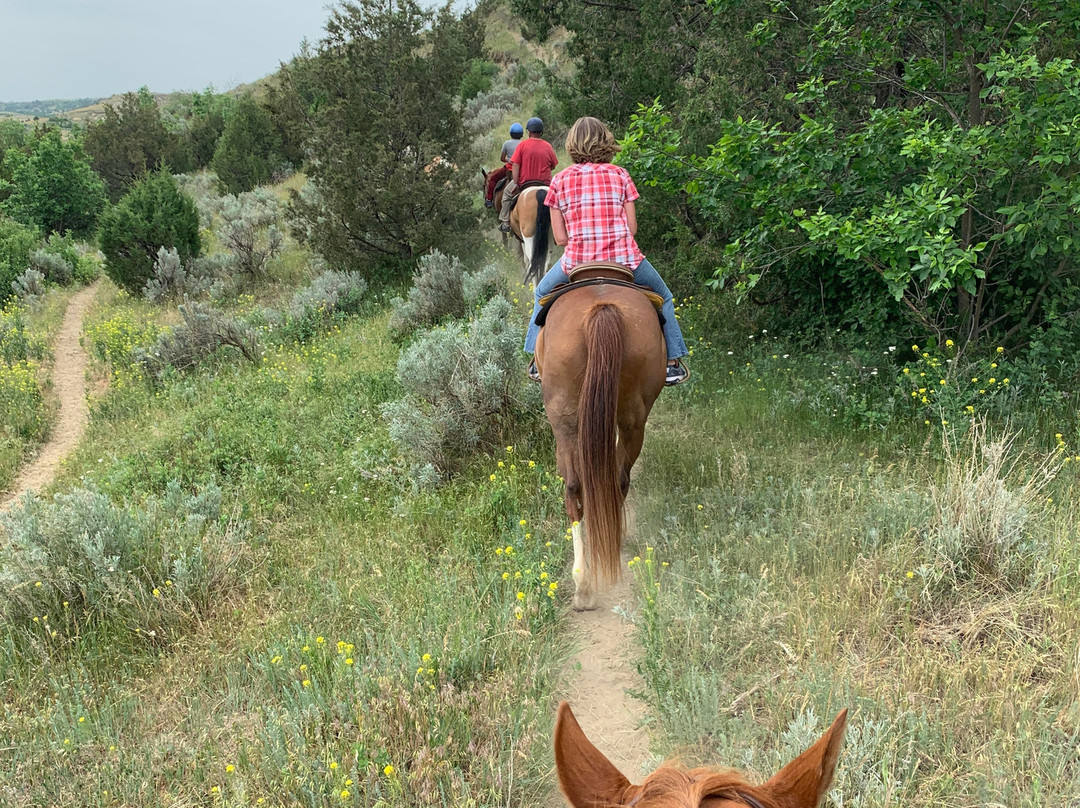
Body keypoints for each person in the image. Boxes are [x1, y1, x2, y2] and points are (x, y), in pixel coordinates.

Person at [524, 116, 690, 386]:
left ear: (572, 145)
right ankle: (672, 362)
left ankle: (534, 360)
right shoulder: (621, 174)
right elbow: (632, 228)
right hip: (624, 260)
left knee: (542, 292)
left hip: (577, 262)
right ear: (605, 142)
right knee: (665, 296)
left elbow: (561, 238)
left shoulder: (560, 180)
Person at [499, 116, 558, 233]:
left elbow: (515, 165)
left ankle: (505, 222)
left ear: (528, 131)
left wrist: (516, 183)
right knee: (560, 198)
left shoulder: (522, 145)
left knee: (506, 194)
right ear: (541, 131)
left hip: (525, 182)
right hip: (545, 183)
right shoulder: (548, 146)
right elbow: (553, 165)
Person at [485, 123, 524, 207]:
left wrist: (509, 160)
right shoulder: (523, 143)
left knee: (492, 179)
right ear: (521, 134)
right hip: (522, 168)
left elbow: (502, 158)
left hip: (509, 168)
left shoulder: (506, 143)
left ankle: (489, 199)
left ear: (511, 134)